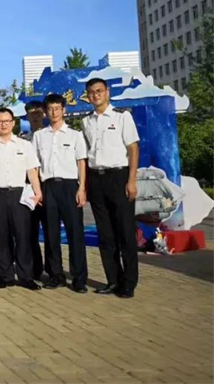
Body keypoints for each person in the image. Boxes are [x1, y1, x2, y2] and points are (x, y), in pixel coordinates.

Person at [82, 78, 140, 298]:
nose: (95, 95)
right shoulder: (86, 121)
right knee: (105, 235)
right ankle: (113, 280)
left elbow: (133, 149)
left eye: (99, 91)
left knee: (125, 232)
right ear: (87, 96)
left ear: (107, 92)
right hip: (97, 179)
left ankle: (129, 283)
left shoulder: (122, 116)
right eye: (91, 92)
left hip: (119, 177)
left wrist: (131, 181)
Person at [0, 108, 43, 291]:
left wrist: (38, 192)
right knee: (1, 236)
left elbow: (32, 171)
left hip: (19, 194)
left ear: (13, 123)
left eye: (7, 121)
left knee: (23, 236)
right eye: (0, 121)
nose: (3, 124)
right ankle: (4, 275)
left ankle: (26, 276)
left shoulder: (24, 145)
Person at [33, 94, 88, 293]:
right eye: (50, 109)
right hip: (48, 186)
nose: (54, 112)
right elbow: (34, 165)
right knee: (51, 233)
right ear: (45, 112)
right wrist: (38, 191)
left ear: (64, 110)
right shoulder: (39, 136)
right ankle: (55, 275)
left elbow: (81, 162)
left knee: (75, 233)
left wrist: (81, 188)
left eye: (58, 108)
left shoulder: (75, 135)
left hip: (70, 186)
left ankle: (79, 278)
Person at [21, 100, 50, 282]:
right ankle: (35, 268)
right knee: (30, 232)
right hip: (29, 190)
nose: (35, 116)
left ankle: (54, 270)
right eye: (31, 113)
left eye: (38, 112)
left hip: (48, 187)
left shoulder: (50, 135)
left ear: (44, 114)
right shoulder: (22, 139)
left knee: (50, 231)